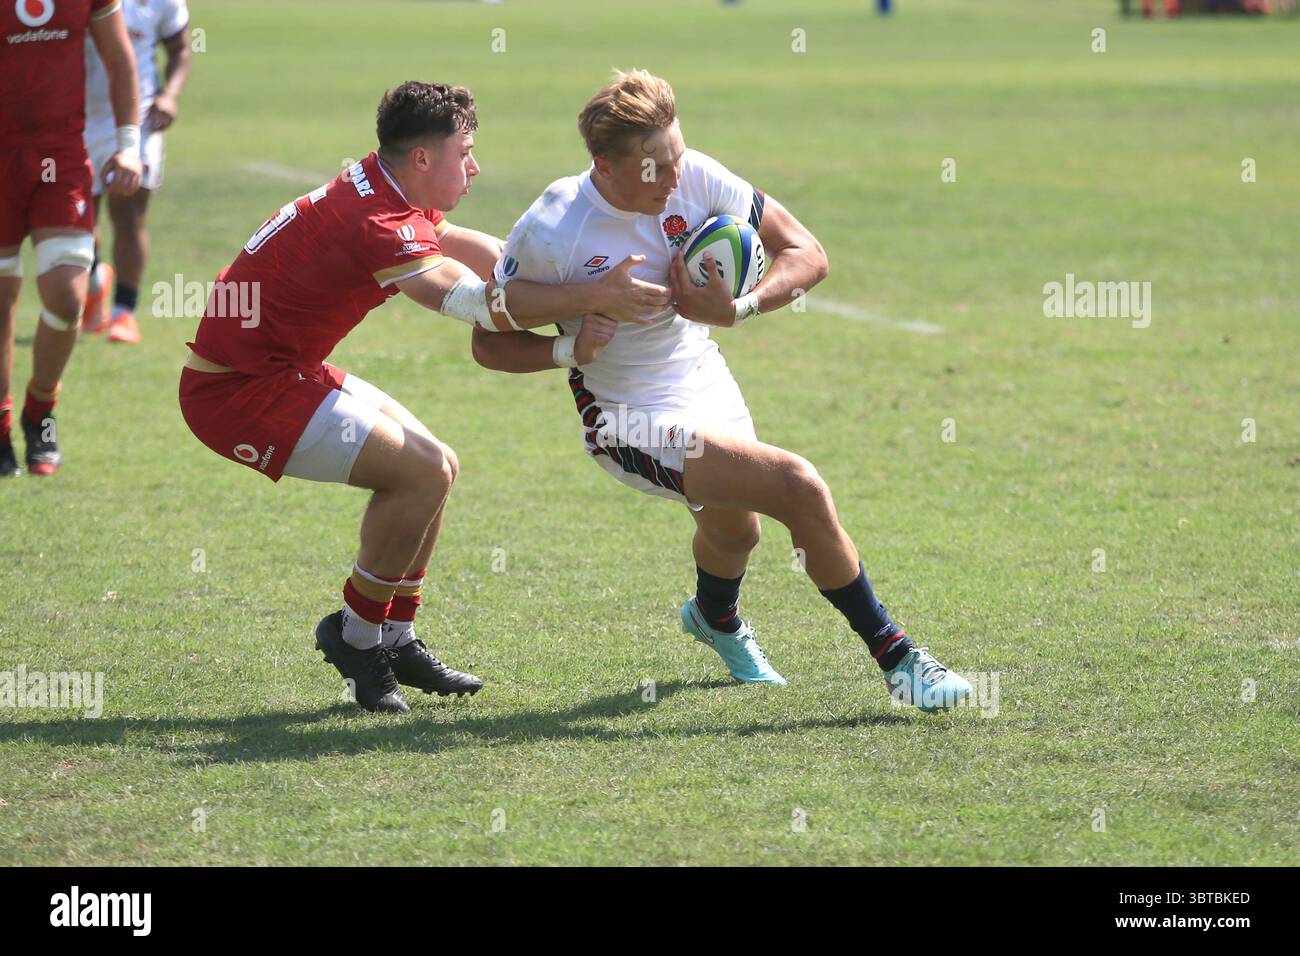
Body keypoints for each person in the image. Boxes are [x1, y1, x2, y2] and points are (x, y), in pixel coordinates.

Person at [471, 70, 971, 711]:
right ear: (603, 164)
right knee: (799, 485)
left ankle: (715, 618)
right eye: (654, 169)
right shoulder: (554, 228)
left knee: (738, 534)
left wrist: (737, 310)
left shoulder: (696, 175)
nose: (674, 180)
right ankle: (900, 659)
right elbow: (489, 341)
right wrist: (575, 332)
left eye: (677, 157)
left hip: (701, 376)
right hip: (624, 415)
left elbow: (806, 252)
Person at [178, 81, 667, 713]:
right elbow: (471, 305)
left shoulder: (382, 184)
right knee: (420, 472)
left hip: (283, 369)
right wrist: (586, 305)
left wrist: (563, 282)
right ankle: (356, 637)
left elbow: (474, 252)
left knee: (440, 466)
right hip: (237, 393)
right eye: (465, 152)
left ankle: (395, 637)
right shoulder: (376, 219)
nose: (475, 166)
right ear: (423, 159)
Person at [0, 0, 143, 477]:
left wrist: (128, 145)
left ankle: (39, 410)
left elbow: (121, 58)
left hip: (59, 155)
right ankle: (0, 427)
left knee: (66, 296)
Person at [82, 0, 192, 344]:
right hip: (77, 117)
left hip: (137, 118)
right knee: (80, 216)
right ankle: (96, 278)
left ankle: (124, 313)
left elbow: (181, 50)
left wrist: (170, 96)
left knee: (128, 213)